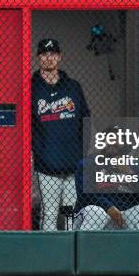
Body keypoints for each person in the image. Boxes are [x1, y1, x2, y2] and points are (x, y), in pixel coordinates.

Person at [32, 38, 90, 231]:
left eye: (53, 54)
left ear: (60, 57)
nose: (49, 58)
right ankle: (46, 258)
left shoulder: (73, 87)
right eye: (45, 54)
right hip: (47, 166)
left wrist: (82, 154)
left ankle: (70, 257)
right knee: (49, 214)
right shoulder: (31, 88)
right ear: (38, 57)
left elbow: (86, 120)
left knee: (71, 214)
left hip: (73, 165)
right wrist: (38, 154)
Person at [74, 134, 139, 231]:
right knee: (96, 212)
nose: (113, 141)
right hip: (96, 213)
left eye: (117, 138)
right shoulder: (89, 163)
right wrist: (108, 207)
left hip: (125, 216)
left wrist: (129, 174)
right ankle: (84, 245)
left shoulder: (135, 166)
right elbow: (84, 195)